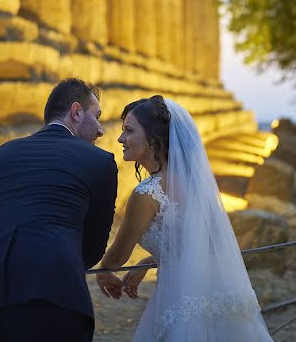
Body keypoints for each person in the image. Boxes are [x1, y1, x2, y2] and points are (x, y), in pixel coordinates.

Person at [97, 95, 273, 341]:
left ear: (153, 139)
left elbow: (117, 255)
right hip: (217, 293)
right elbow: (200, 243)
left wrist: (104, 272)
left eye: (129, 130)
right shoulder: (196, 184)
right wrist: (149, 261)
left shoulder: (147, 194)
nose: (120, 138)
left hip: (180, 298)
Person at [0, 78, 118, 342]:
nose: (101, 130)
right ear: (76, 112)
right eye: (97, 116)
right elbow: (92, 248)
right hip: (56, 295)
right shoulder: (100, 162)